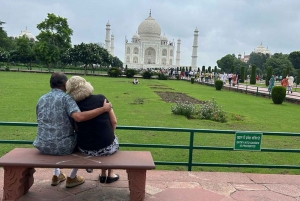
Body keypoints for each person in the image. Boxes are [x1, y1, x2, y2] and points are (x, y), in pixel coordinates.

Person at [33, 72, 112, 188]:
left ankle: (56, 174)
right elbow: (79, 117)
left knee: (56, 137)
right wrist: (103, 109)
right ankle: (72, 177)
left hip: (42, 144)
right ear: (65, 84)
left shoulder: (41, 99)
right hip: (63, 146)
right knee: (80, 138)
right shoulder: (67, 98)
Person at [66, 76, 120, 184]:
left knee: (104, 142)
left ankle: (104, 174)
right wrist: (108, 134)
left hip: (85, 148)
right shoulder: (101, 99)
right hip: (107, 146)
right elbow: (114, 122)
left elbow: (76, 128)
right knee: (111, 142)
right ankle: (109, 174)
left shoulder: (74, 106)